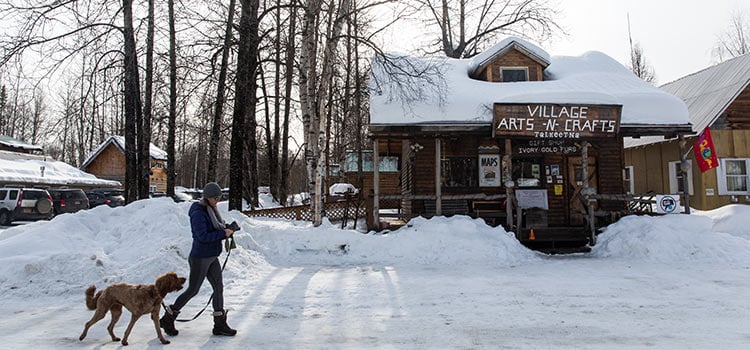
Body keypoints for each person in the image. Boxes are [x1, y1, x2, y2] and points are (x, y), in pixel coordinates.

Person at [160, 182, 237, 337]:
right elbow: (202, 236)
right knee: (193, 290)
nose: (218, 201)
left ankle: (219, 324)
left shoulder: (212, 209)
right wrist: (224, 234)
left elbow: (216, 227)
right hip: (200, 257)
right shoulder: (198, 213)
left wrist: (228, 228)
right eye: (216, 198)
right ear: (208, 197)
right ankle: (169, 317)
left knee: (218, 288)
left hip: (212, 256)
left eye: (219, 198)